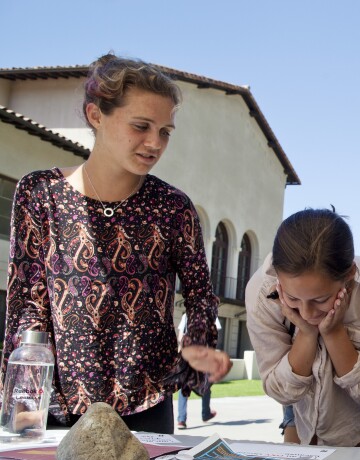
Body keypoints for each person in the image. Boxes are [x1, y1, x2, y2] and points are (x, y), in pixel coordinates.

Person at [1, 54, 231, 435]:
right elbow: (28, 302)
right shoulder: (40, 193)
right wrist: (25, 393)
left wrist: (197, 344)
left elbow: (200, 294)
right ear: (96, 116)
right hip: (59, 404)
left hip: (146, 404)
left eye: (165, 132)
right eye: (141, 126)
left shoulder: (173, 208)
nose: (154, 143)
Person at [245, 208, 360, 446]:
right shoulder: (261, 292)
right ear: (276, 275)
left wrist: (333, 331)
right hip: (302, 418)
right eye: (293, 299)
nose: (307, 313)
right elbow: (281, 391)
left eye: (320, 300)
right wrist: (307, 334)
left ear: (349, 275)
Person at [175, 314, 220, 429]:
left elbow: (180, 337)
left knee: (184, 386)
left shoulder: (186, 315)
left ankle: (181, 420)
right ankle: (205, 414)